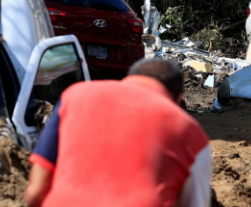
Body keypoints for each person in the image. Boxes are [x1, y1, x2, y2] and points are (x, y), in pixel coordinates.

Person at [24, 59, 212, 207]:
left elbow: (35, 192)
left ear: (128, 78)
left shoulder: (73, 97)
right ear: (178, 98)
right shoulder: (191, 133)